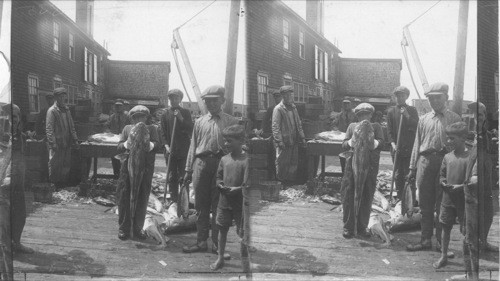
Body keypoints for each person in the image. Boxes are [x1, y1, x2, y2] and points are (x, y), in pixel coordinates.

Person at [182, 85, 238, 257]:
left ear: (223, 101)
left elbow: (237, 148)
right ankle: (200, 242)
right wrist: (187, 170)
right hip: (201, 164)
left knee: (219, 206)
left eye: (215, 100)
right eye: (208, 101)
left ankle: (216, 245)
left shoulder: (231, 122)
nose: (211, 104)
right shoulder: (199, 122)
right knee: (201, 205)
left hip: (222, 165)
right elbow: (193, 146)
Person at [406, 83, 462, 252]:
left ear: (446, 97)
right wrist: (411, 168)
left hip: (445, 163)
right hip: (425, 162)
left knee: (443, 205)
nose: (434, 101)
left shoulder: (455, 119)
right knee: (425, 204)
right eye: (431, 98)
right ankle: (425, 240)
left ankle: (440, 244)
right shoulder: (423, 119)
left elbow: (460, 145)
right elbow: (417, 144)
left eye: (438, 97)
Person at [116, 105, 161, 240]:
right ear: (132, 118)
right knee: (124, 196)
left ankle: (137, 228)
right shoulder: (127, 129)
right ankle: (124, 228)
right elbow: (118, 147)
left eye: (142, 116)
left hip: (145, 168)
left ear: (147, 117)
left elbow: (158, 144)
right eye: (136, 117)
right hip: (127, 169)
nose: (139, 119)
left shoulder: (152, 129)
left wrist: (151, 145)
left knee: (142, 197)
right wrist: (125, 145)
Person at [341, 103, 385, 238]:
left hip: (369, 166)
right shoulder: (352, 127)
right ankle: (348, 226)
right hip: (352, 166)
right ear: (357, 116)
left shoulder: (376, 127)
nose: (364, 117)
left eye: (367, 114)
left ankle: (362, 226)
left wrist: (374, 142)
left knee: (366, 194)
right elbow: (343, 145)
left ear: (371, 115)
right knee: (349, 194)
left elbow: (382, 143)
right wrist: (351, 142)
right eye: (361, 115)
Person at [210, 124, 250, 272]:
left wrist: (238, 189)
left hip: (240, 204)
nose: (226, 144)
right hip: (224, 201)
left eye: (229, 141)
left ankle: (245, 262)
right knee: (222, 230)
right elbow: (218, 177)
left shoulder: (246, 161)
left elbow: (248, 185)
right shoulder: (224, 159)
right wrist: (220, 185)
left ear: (240, 141)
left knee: (242, 233)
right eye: (225, 140)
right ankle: (220, 257)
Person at [433, 122, 469, 269]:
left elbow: (473, 180)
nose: (448, 141)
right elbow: (441, 175)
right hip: (447, 199)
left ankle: (468, 262)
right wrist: (443, 183)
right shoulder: (447, 157)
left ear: (463, 138)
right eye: (447, 138)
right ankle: (443, 255)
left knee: (466, 231)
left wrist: (460, 187)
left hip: (464, 201)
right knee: (445, 228)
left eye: (452, 138)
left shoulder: (470, 157)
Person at [466, 102, 498, 253]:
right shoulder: (467, 134)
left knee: (488, 212)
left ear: (485, 117)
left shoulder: (489, 135)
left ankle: (483, 242)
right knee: (471, 213)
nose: (476, 118)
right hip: (471, 179)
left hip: (486, 178)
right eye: (474, 115)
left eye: (479, 114)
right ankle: (471, 245)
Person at [3, 104, 35, 255]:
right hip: (4, 180)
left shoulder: (20, 136)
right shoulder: (4, 136)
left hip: (17, 180)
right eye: (9, 117)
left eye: (14, 116)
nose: (11, 120)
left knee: (19, 212)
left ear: (19, 118)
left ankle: (16, 242)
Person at [386, 86, 419, 200]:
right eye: (398, 96)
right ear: (395, 97)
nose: (400, 98)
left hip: (409, 148)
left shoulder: (412, 110)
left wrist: (407, 116)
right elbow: (389, 131)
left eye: (402, 95)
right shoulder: (391, 111)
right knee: (398, 175)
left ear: (406, 97)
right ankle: (400, 198)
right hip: (396, 148)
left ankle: (410, 199)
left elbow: (417, 126)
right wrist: (393, 144)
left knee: (409, 174)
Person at [160, 89, 193, 202]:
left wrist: (180, 118)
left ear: (180, 99)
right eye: (171, 98)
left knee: (183, 177)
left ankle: (184, 201)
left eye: (176, 98)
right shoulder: (165, 114)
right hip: (170, 150)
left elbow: (190, 128)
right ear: (169, 99)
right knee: (171, 177)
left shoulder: (185, 112)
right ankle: (173, 200)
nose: (174, 100)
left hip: (183, 149)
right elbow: (163, 133)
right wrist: (166, 146)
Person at [271, 85, 306, 187]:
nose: (289, 96)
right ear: (282, 96)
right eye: (286, 94)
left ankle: (290, 183)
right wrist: (279, 141)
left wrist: (302, 137)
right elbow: (275, 127)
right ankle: (281, 183)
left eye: (290, 94)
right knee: (282, 163)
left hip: (293, 140)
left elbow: (298, 124)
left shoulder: (293, 107)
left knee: (293, 162)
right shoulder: (278, 109)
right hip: (284, 141)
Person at [46, 87, 79, 190]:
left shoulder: (66, 109)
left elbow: (71, 126)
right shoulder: (52, 111)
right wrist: (53, 143)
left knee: (66, 164)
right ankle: (54, 185)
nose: (62, 98)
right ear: (56, 97)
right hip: (57, 143)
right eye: (60, 96)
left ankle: (63, 184)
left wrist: (75, 139)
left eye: (64, 96)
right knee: (55, 164)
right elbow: (49, 129)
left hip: (66, 142)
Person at [105, 100, 130, 178]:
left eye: (120, 106)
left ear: (123, 106)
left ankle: (125, 176)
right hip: (114, 140)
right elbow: (107, 126)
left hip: (125, 140)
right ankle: (116, 175)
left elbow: (131, 126)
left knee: (125, 158)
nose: (118, 107)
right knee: (115, 157)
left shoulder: (127, 115)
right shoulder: (112, 116)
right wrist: (109, 132)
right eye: (116, 106)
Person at [34, 94, 54, 182]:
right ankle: (45, 178)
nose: (50, 102)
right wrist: (40, 135)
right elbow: (37, 124)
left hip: (56, 138)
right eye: (49, 100)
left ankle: (53, 179)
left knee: (54, 160)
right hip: (46, 138)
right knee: (45, 159)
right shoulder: (44, 111)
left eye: (52, 100)